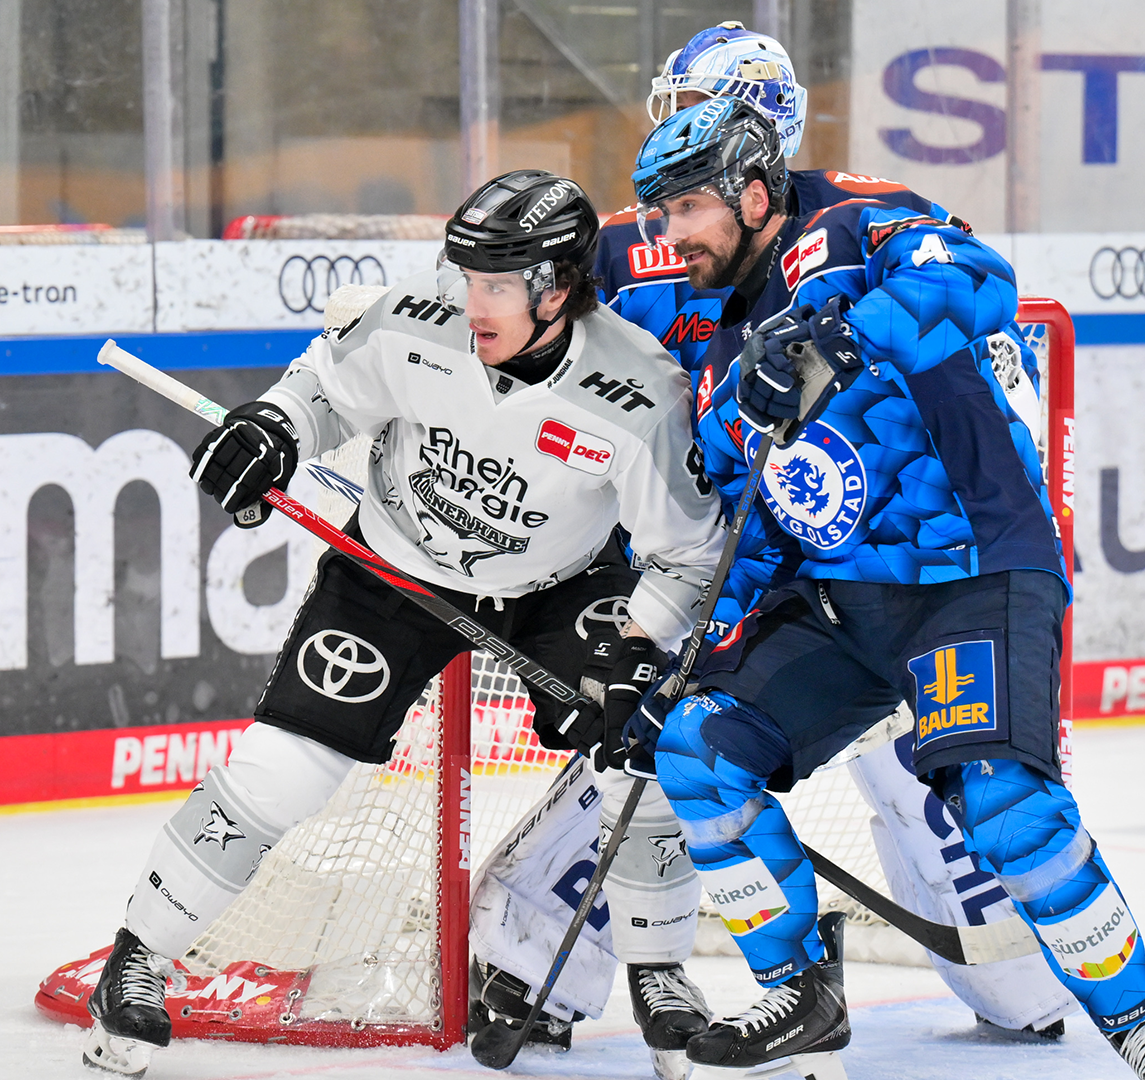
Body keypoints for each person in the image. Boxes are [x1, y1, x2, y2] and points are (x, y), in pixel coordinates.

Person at [470, 22, 1076, 1077]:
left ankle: (1016, 966)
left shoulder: (854, 218)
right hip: (717, 551)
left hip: (859, 556)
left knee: (928, 759)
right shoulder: (631, 239)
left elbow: (967, 339)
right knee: (659, 743)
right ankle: (548, 967)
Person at [78, 169, 726, 1076]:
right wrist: (272, 430)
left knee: (645, 754)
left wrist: (640, 644)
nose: (473, 302)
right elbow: (322, 389)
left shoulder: (639, 390)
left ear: (558, 289)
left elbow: (689, 553)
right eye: (468, 277)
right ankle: (138, 956)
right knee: (280, 771)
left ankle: (661, 976)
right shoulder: (417, 318)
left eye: (497, 285)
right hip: (393, 567)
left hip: (560, 582)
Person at [624, 98, 1145, 1080]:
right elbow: (754, 536)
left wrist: (836, 338)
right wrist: (690, 663)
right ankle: (800, 992)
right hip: (839, 609)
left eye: (686, 208)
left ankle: (1141, 1022)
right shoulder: (723, 359)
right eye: (660, 214)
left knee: (1004, 805)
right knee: (698, 750)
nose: (669, 234)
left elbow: (978, 284)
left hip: (972, 576)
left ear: (753, 193)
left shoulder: (854, 227)